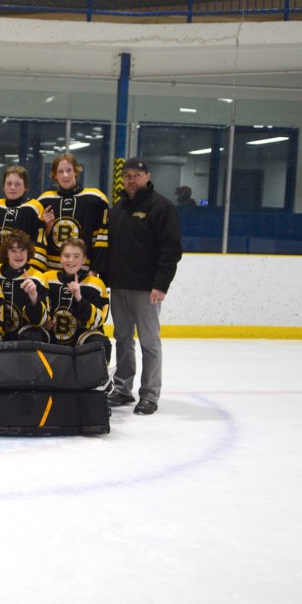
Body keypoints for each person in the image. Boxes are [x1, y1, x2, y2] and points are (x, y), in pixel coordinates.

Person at [102, 157, 182, 416]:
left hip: (147, 290)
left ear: (148, 176)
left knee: (149, 342)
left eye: (137, 175)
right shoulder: (118, 209)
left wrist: (161, 285)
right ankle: (123, 389)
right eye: (127, 176)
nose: (131, 180)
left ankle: (149, 394)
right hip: (120, 287)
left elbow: (171, 250)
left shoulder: (161, 207)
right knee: (123, 339)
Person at [37, 152, 110, 273]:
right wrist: (47, 227)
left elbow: (101, 238)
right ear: (55, 175)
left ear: (76, 171)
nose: (65, 175)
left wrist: (95, 270)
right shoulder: (44, 201)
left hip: (83, 272)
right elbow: (38, 239)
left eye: (69, 170)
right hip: (51, 272)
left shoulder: (96, 199)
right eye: (60, 171)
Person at [42, 238, 111, 360]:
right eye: (66, 256)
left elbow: (98, 321)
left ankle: (98, 378)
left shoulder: (95, 284)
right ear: (60, 258)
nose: (71, 260)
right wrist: (44, 321)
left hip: (81, 338)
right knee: (32, 335)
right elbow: (41, 307)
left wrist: (79, 298)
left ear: (84, 260)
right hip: (52, 337)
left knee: (101, 343)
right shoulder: (47, 278)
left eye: (76, 256)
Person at [0, 165, 48, 269]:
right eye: (9, 183)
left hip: (22, 272)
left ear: (26, 187)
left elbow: (39, 244)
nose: (12, 187)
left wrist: (31, 272)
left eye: (17, 184)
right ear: (3, 186)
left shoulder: (34, 208)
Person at [0, 229, 48, 341]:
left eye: (22, 250)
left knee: (34, 336)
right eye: (13, 250)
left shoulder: (38, 277)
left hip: (24, 335)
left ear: (28, 252)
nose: (18, 255)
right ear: (6, 253)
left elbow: (39, 322)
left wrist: (33, 297)